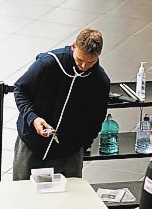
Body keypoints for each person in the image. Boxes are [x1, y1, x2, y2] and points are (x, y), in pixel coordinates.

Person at [13, 28, 110, 179]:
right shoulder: (48, 64)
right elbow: (20, 90)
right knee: (24, 195)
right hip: (31, 145)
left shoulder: (100, 81)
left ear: (99, 55)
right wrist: (33, 118)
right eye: (80, 60)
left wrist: (82, 145)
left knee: (67, 200)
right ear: (73, 47)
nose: (84, 66)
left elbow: (96, 119)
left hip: (70, 154)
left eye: (90, 62)